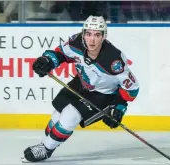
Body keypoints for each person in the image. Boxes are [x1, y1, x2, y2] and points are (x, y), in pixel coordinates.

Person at [21, 15, 140, 163]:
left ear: (104, 36)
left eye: (97, 35)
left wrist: (120, 106)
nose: (92, 39)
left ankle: (46, 149)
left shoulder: (113, 60)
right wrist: (47, 60)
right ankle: (44, 144)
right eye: (88, 34)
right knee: (57, 115)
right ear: (83, 34)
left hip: (102, 94)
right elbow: (61, 54)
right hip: (81, 83)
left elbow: (132, 88)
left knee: (70, 115)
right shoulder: (76, 42)